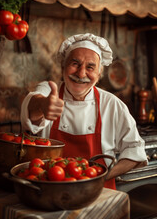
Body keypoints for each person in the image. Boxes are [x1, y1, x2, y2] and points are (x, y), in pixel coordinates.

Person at [21, 33, 147, 189]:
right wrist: (42, 105)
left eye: (90, 67)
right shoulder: (49, 90)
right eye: (75, 63)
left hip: (98, 192)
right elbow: (33, 103)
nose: (81, 74)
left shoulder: (112, 104)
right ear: (63, 66)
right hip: (50, 190)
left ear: (99, 74)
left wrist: (101, 178)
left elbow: (135, 150)